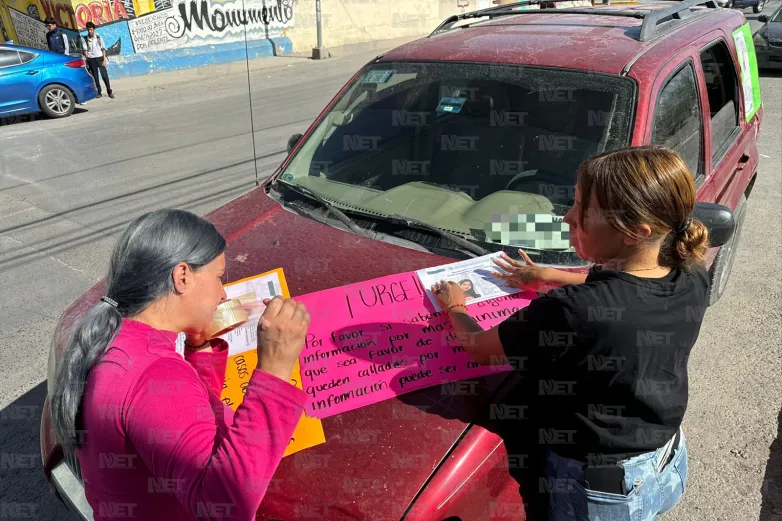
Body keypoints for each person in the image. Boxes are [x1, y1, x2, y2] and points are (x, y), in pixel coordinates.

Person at [431, 145, 710, 521]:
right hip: (666, 460)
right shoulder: (690, 273)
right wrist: (549, 274)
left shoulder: (572, 310)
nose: (567, 218)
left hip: (601, 492)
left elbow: (479, 347)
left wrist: (455, 306)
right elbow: (624, 292)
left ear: (635, 231)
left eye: (582, 210)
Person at [51, 209, 311, 521]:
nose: (223, 294)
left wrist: (199, 347)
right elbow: (224, 506)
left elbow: (182, 423)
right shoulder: (154, 372)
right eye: (218, 277)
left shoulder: (117, 341)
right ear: (183, 276)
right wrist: (275, 368)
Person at [82, 22, 113, 99]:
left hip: (100, 58)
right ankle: (99, 92)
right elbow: (85, 51)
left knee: (104, 76)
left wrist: (104, 60)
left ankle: (109, 91)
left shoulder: (99, 38)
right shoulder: (85, 39)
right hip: (91, 59)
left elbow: (103, 49)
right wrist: (87, 60)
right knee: (95, 77)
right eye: (88, 30)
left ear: (94, 29)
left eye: (91, 29)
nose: (90, 31)